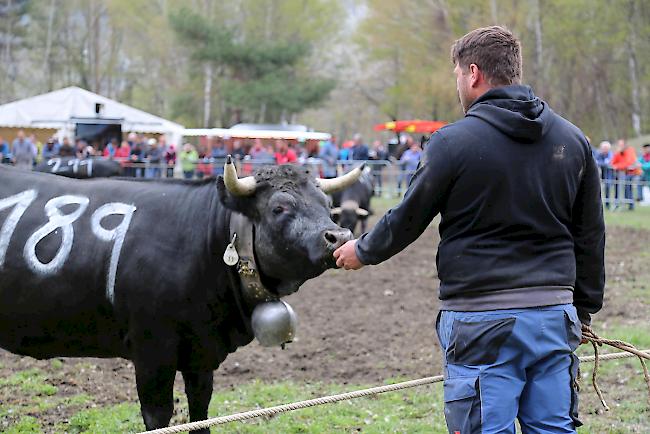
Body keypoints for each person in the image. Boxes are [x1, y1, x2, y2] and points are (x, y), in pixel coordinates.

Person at [334, 26, 604, 433]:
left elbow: (409, 216)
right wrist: (582, 310)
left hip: (482, 320)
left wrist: (363, 250)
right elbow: (590, 236)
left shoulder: (452, 142)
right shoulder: (573, 140)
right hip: (554, 316)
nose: (457, 85)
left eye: (457, 74)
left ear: (473, 73)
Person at [611, 139, 639, 210]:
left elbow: (628, 163)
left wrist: (617, 166)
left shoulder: (630, 150)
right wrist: (618, 165)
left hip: (631, 173)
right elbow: (612, 162)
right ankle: (617, 204)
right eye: (619, 145)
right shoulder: (618, 152)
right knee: (617, 187)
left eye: (621, 145)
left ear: (625, 145)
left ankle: (630, 205)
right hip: (620, 174)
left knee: (628, 188)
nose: (620, 146)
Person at [594, 141, 614, 209]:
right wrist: (603, 164)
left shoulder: (611, 154)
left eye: (606, 148)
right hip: (601, 175)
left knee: (608, 188)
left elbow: (609, 163)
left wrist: (603, 164)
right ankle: (601, 204)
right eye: (603, 148)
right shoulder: (599, 154)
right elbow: (596, 162)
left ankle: (610, 204)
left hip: (610, 175)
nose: (604, 149)